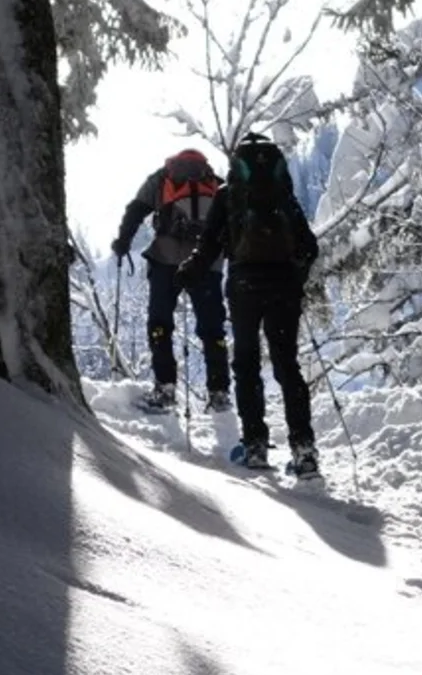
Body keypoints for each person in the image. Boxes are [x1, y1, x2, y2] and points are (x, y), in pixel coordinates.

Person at [177, 133, 320, 475]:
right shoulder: (283, 195)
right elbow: (309, 246)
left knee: (246, 364)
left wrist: (188, 271)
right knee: (288, 365)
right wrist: (295, 280)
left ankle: (255, 445)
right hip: (283, 286)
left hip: (244, 287)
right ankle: (304, 450)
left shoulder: (228, 196)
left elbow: (209, 245)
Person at [112, 148, 231, 413]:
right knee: (212, 328)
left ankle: (165, 388)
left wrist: (123, 242)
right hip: (207, 263)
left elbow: (135, 210)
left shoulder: (161, 179)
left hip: (165, 259)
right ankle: (219, 391)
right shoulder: (215, 183)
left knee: (160, 324)